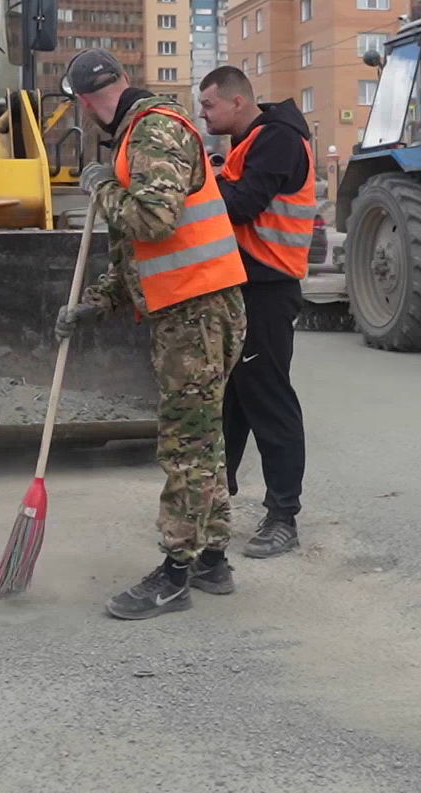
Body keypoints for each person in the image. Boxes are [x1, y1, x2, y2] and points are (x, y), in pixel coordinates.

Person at [55, 48, 247, 620]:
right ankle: (212, 558)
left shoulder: (152, 131)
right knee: (205, 440)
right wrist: (95, 305)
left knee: (185, 446)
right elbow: (140, 253)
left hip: (196, 314)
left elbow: (152, 221)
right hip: (197, 307)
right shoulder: (141, 133)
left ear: (85, 102)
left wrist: (100, 188)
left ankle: (175, 573)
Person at [198, 67, 313, 559]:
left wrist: (201, 181)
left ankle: (283, 516)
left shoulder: (278, 140)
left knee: (268, 399)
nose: (203, 114)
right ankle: (212, 501)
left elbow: (241, 205)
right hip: (242, 285)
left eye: (209, 105)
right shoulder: (250, 143)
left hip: (268, 287)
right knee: (232, 400)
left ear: (238, 102)